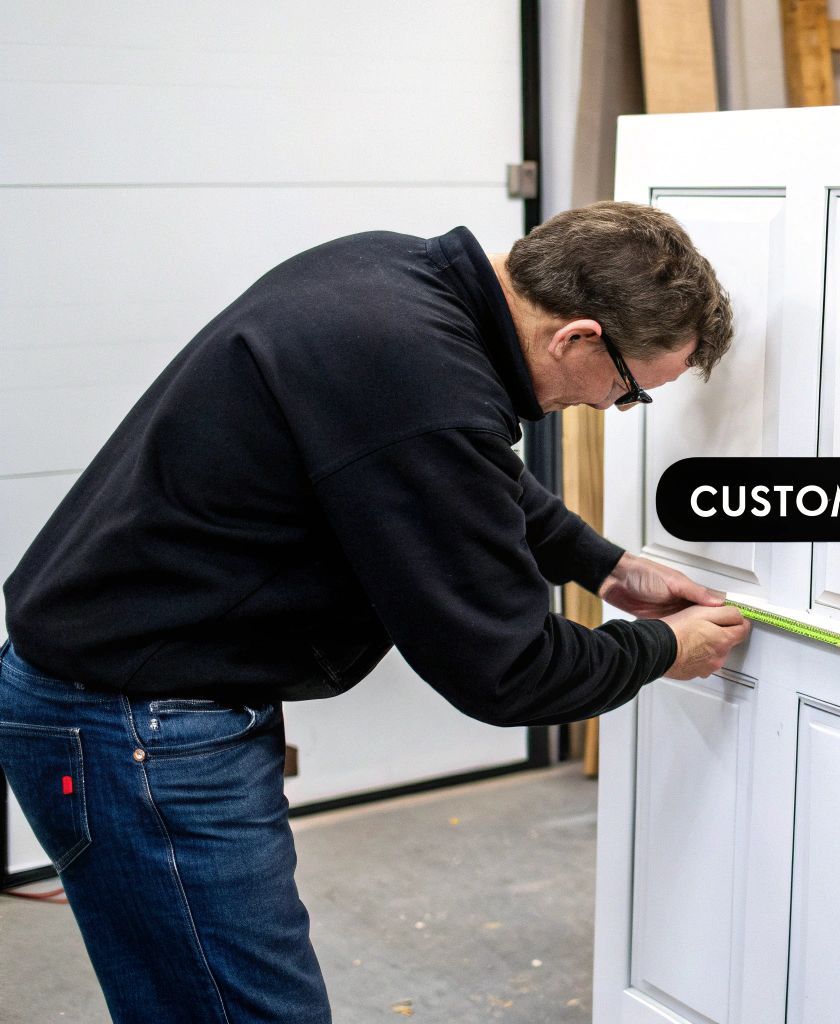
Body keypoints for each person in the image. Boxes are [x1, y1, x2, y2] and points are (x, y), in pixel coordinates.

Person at [0, 201, 750, 1022]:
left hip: (127, 695)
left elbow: (460, 465)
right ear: (576, 338)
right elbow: (511, 672)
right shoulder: (424, 382)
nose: (612, 409)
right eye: (630, 391)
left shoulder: (393, 274)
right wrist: (659, 650)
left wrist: (601, 565)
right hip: (136, 726)